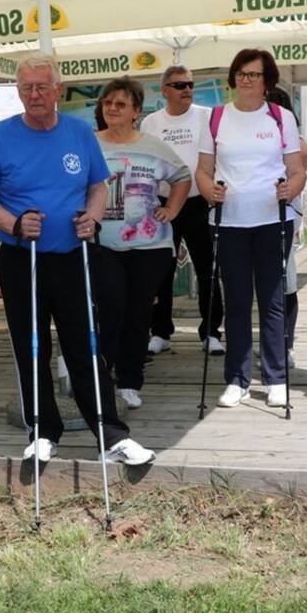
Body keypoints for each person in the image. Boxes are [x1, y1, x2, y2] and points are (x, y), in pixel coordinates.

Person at [0, 53, 155, 466]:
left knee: (85, 345)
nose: (33, 95)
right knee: (30, 346)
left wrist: (92, 216)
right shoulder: (0, 137)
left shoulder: (78, 132)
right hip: (23, 258)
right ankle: (42, 430)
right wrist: (14, 223)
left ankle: (111, 432)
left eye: (41, 87)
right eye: (25, 88)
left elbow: (97, 186)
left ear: (58, 90)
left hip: (74, 256)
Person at [195, 48, 305, 408]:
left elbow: (297, 168)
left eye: (254, 74)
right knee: (238, 302)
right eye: (241, 73)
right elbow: (203, 169)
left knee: (272, 301)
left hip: (274, 219)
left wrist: (293, 187)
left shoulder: (280, 117)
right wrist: (208, 188)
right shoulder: (215, 117)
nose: (246, 80)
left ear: (266, 81)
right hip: (230, 221)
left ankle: (275, 377)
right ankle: (237, 379)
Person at [93, 76, 191, 410]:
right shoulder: (90, 144)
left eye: (121, 104)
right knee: (110, 308)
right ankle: (102, 377)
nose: (113, 109)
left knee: (137, 313)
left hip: (150, 246)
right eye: (108, 103)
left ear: (136, 110)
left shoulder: (152, 145)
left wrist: (172, 209)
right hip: (101, 243)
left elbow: (181, 177)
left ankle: (130, 381)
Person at [140, 66, 224, 356]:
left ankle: (211, 331)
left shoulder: (207, 116)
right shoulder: (151, 122)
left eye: (190, 84)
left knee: (207, 269)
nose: (187, 89)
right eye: (178, 85)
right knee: (161, 270)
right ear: (164, 90)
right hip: (163, 204)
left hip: (200, 201)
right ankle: (161, 331)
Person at [265, 87, 307, 368]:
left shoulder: (299, 144)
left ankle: (286, 344)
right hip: (251, 218)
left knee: (285, 281)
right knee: (263, 287)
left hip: (283, 216)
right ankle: (271, 342)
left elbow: (295, 174)